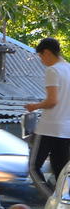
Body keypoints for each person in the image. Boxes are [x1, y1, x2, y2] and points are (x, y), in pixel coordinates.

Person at [25, 38, 70, 185]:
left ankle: (50, 198)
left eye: (41, 56)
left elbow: (52, 101)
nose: (42, 61)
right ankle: (61, 204)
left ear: (47, 52)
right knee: (61, 173)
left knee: (33, 167)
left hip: (48, 128)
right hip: (65, 130)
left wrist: (35, 106)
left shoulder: (53, 70)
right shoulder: (68, 69)